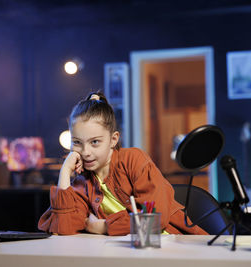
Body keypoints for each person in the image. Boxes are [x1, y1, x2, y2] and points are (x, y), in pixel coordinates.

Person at [38, 92, 207, 235]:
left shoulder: (133, 159)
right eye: (77, 142)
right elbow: (63, 228)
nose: (85, 152)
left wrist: (104, 226)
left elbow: (155, 220)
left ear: (113, 139)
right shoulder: (82, 182)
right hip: (130, 255)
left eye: (95, 142)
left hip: (174, 244)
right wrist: (65, 171)